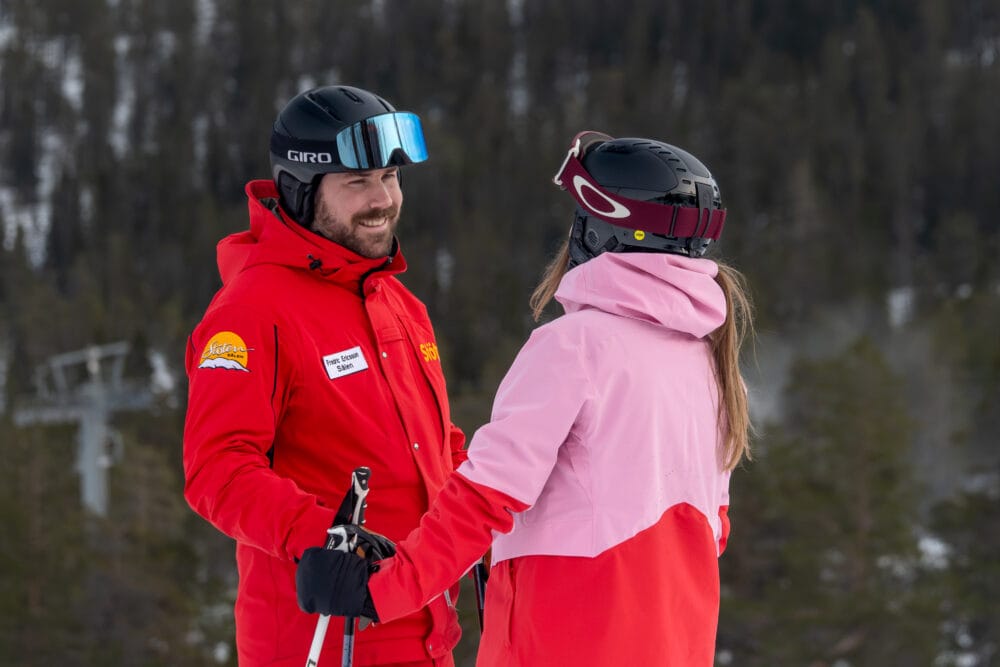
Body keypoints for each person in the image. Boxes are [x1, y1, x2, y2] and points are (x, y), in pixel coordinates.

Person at [295, 131, 755, 666]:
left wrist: (378, 589)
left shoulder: (574, 347)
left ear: (597, 230)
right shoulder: (714, 365)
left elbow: (485, 499)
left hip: (565, 640)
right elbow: (710, 529)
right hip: (675, 642)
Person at [182, 85, 467, 667]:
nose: (383, 199)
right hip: (320, 637)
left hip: (426, 636)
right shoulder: (249, 313)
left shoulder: (398, 304)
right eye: (357, 182)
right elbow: (217, 469)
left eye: (390, 177)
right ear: (301, 190)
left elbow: (437, 450)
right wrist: (325, 538)